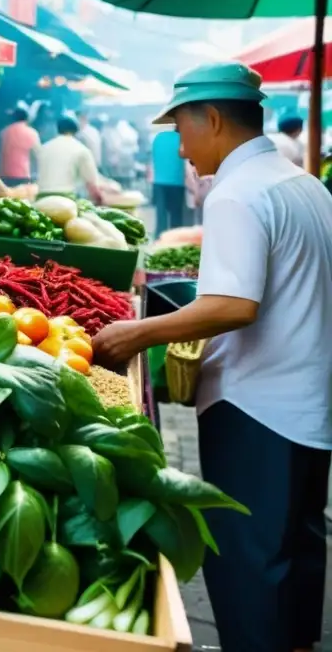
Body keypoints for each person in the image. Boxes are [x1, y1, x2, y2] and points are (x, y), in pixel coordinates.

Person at [92, 62, 332, 652]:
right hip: (308, 405)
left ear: (215, 119)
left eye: (180, 130)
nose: (179, 148)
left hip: (257, 410)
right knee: (296, 551)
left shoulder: (236, 193)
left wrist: (137, 333)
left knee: (250, 569)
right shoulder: (306, 184)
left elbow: (232, 305)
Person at [35, 115, 102, 201]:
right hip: (66, 199)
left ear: (57, 129)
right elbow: (92, 184)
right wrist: (100, 201)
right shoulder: (81, 149)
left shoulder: (44, 148)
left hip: (41, 197)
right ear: (76, 130)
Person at [151, 128, 185, 237]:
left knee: (161, 216)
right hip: (177, 183)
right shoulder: (182, 139)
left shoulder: (159, 137)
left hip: (158, 182)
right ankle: (174, 242)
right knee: (176, 217)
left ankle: (159, 242)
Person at [0, 107, 41, 186]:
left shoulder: (4, 132)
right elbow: (38, 154)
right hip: (22, 174)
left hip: (4, 174)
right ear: (26, 119)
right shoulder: (31, 133)